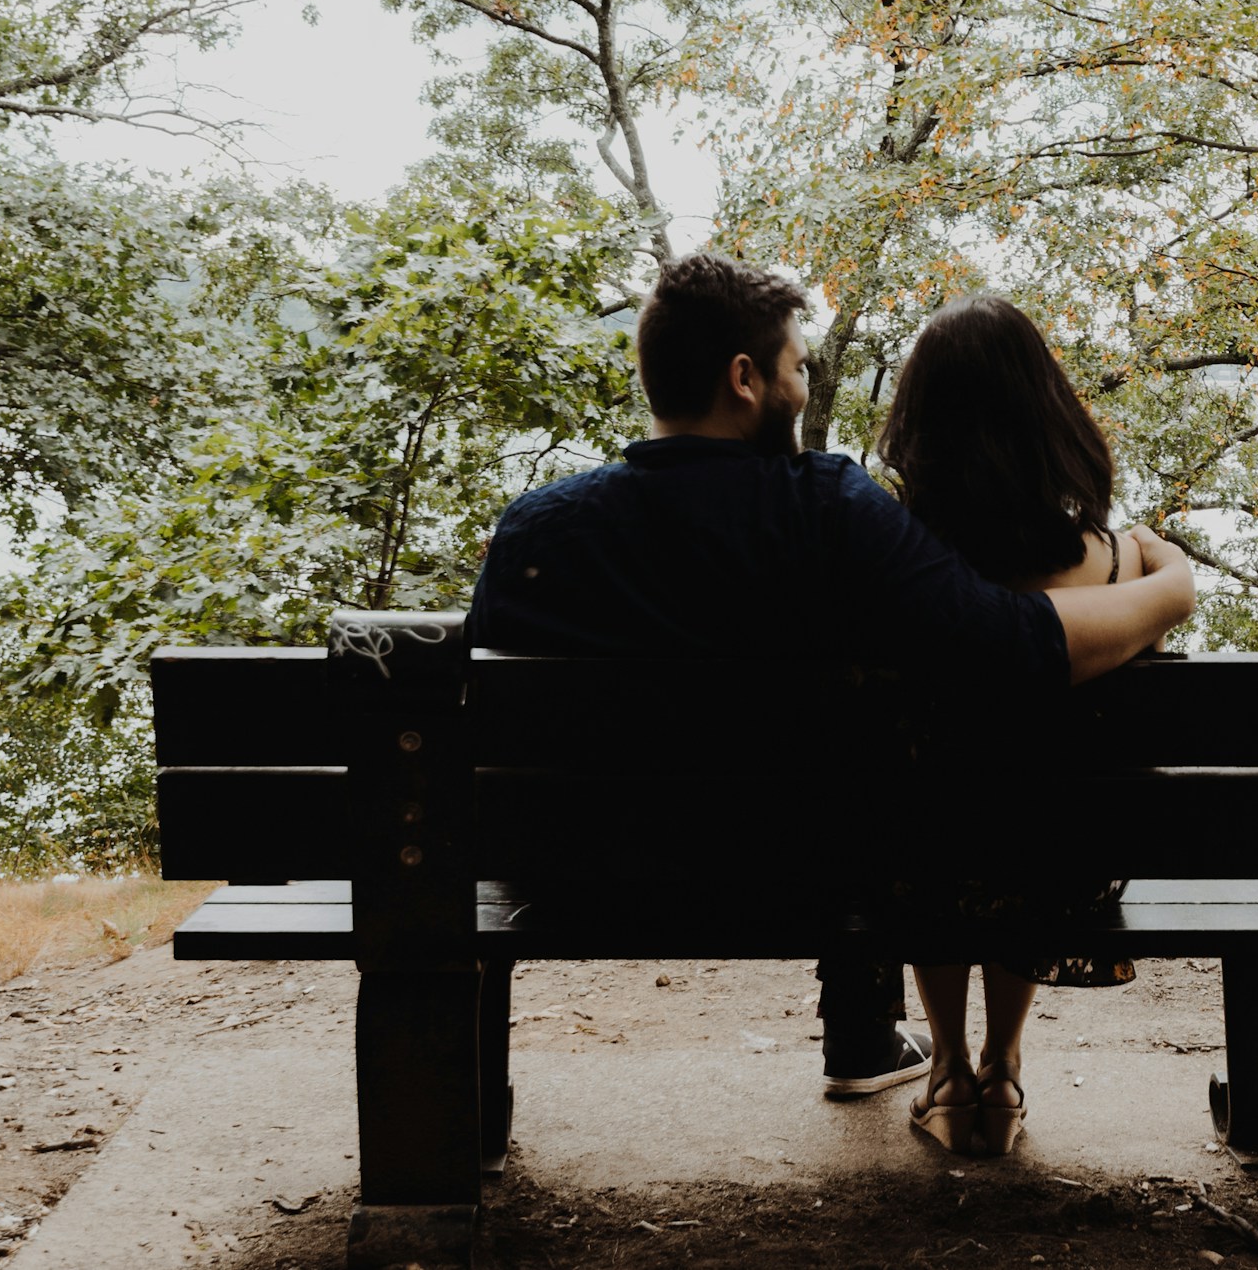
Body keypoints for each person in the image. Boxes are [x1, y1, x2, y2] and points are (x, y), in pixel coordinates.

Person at [466, 252, 1195, 1102]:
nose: (804, 385)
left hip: (563, 876)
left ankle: (467, 1115)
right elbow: (1009, 644)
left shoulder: (535, 531)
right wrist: (1169, 589)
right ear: (745, 379)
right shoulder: (826, 511)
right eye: (797, 366)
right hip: (787, 877)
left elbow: (486, 718)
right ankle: (872, 1037)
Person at [873, 294, 1152, 1157]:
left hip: (916, 864)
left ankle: (949, 1070)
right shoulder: (1114, 561)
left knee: (930, 826)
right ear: (1049, 415)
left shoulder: (896, 562)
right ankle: (1003, 1067)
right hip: (1061, 868)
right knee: (1028, 821)